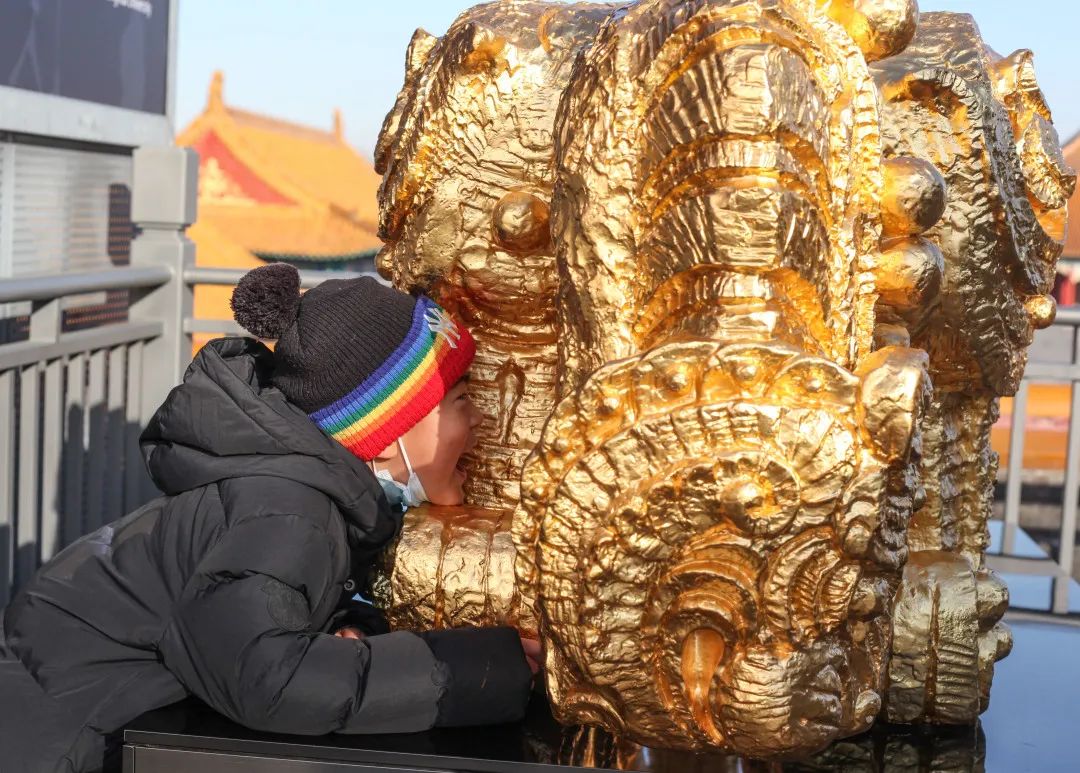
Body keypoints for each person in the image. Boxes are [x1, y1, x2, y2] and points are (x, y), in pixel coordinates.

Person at [0, 264, 539, 773]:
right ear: (386, 431)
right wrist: (485, 671)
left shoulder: (320, 491)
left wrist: (347, 627)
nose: (479, 419)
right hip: (61, 729)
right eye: (460, 398)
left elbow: (275, 604)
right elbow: (266, 679)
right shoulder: (288, 510)